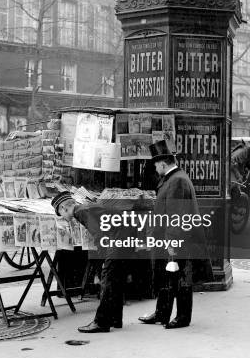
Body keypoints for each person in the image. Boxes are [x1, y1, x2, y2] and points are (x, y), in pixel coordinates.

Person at [139, 140, 212, 329]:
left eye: (156, 164)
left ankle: (182, 318)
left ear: (163, 163)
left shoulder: (177, 180)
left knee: (180, 279)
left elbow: (176, 216)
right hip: (171, 239)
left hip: (178, 240)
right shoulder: (174, 178)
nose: (155, 168)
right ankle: (162, 313)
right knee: (167, 277)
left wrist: (171, 243)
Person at [52, 191, 146, 333]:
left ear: (64, 208)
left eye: (61, 214)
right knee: (117, 280)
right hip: (126, 236)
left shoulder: (81, 211)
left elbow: (99, 235)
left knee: (108, 279)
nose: (64, 218)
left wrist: (102, 262)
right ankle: (115, 319)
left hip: (118, 239)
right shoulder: (84, 208)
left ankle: (101, 322)